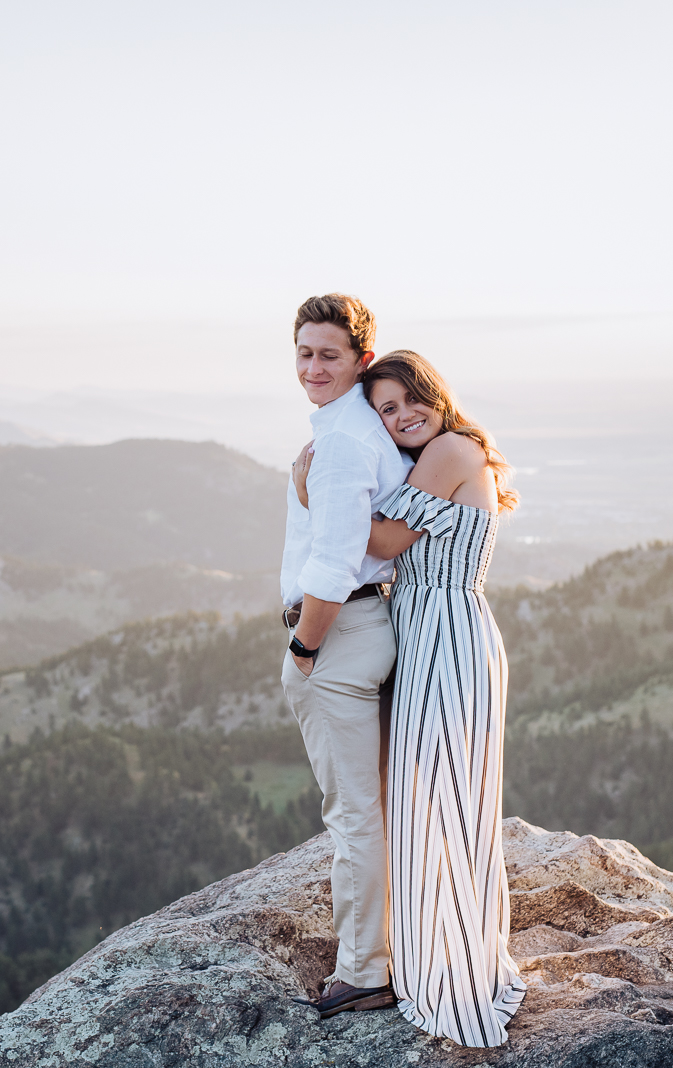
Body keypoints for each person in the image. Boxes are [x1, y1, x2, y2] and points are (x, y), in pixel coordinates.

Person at [292, 349, 526, 1047]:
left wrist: (316, 494)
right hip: (427, 631)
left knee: (444, 803)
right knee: (430, 803)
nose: (400, 418)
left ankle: (451, 971)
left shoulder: (452, 447)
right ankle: (439, 953)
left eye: (407, 401)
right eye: (385, 411)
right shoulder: (440, 454)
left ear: (435, 393)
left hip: (448, 637)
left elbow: (384, 536)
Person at [279, 294, 413, 1019]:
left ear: (361, 358)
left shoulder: (342, 442)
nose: (312, 366)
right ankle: (381, 953)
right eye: (303, 352)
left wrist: (303, 649)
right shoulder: (359, 430)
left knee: (354, 815)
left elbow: (332, 566)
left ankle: (365, 968)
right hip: (364, 629)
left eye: (329, 353)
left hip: (336, 635)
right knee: (368, 810)